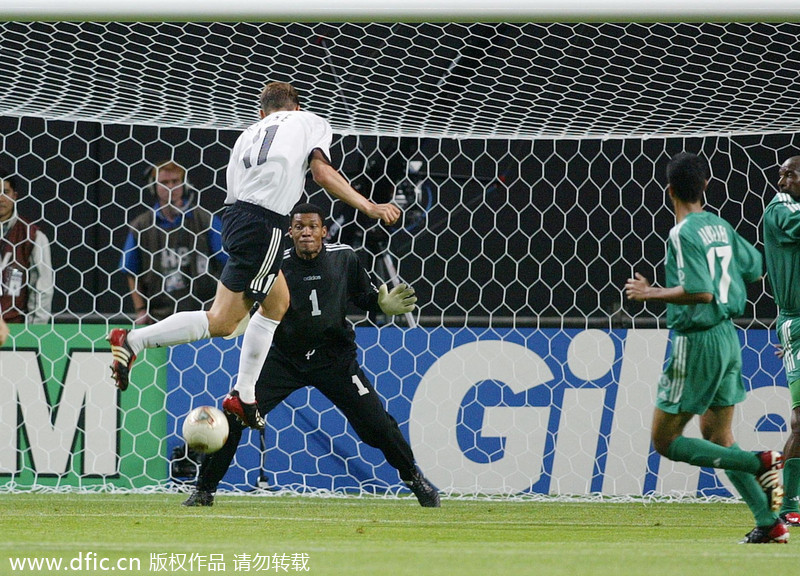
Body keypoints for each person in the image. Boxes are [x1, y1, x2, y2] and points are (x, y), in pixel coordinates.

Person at [108, 82, 400, 432]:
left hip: (236, 219)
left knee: (268, 306)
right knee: (227, 320)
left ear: (262, 113)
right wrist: (369, 206)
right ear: (296, 107)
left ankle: (242, 394)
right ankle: (140, 343)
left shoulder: (248, 134)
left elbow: (235, 192)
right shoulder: (310, 121)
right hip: (266, 223)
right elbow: (321, 173)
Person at [182, 203, 438, 508]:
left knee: (377, 425)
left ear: (324, 231)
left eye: (313, 226)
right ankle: (204, 490)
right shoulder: (275, 265)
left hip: (334, 358)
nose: (306, 232)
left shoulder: (345, 257)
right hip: (284, 359)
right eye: (299, 227)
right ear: (289, 232)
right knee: (235, 416)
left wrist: (382, 305)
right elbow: (252, 304)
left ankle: (414, 479)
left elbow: (365, 297)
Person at [624, 152, 787, 544]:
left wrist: (650, 293)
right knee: (718, 437)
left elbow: (700, 291)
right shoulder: (719, 224)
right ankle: (770, 523)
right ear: (706, 186)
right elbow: (755, 267)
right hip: (728, 337)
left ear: (669, 191)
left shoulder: (681, 233)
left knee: (665, 441)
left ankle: (760, 461)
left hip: (697, 341)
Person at [120, 160, 227, 325]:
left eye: (175, 181)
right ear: (153, 187)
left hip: (202, 314)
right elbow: (131, 271)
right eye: (164, 182)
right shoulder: (141, 226)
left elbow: (228, 261)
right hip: (160, 316)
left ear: (185, 184)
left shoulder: (205, 220)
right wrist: (141, 309)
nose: (170, 187)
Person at [763, 154, 800, 528]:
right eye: (781, 174)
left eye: (790, 174)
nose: (782, 180)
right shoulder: (781, 208)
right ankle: (788, 505)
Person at [0, 171, 54, 324]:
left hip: (15, 327)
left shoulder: (32, 236)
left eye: (5, 192)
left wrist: (34, 331)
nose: (1, 198)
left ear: (15, 196)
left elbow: (43, 288)